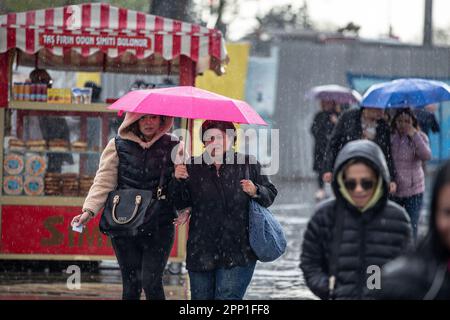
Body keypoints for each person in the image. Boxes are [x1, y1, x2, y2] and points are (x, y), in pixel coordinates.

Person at [71, 112, 180, 300]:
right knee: (131, 285)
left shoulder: (175, 145)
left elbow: (185, 190)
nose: (148, 122)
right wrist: (88, 211)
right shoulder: (117, 145)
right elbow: (104, 181)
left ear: (162, 120)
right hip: (124, 221)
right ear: (133, 121)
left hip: (159, 223)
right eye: (143, 118)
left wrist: (180, 177)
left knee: (151, 282)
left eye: (153, 118)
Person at [168, 120, 278, 300]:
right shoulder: (193, 166)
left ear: (231, 139)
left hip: (238, 250)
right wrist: (177, 179)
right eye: (209, 138)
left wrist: (256, 190)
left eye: (221, 137)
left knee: (228, 299)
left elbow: (270, 194)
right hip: (201, 249)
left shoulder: (248, 164)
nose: (215, 142)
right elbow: (180, 202)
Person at [300, 140, 412, 300]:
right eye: (351, 183)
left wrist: (387, 290)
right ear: (341, 181)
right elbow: (310, 263)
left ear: (378, 180)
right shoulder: (323, 216)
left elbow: (407, 269)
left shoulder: (398, 219)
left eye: (366, 183)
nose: (358, 189)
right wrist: (330, 289)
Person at [379, 161, 450, 300]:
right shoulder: (403, 284)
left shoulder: (396, 217)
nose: (359, 189)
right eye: (448, 212)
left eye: (367, 183)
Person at [322, 107, 397, 194]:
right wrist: (328, 168)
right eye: (377, 109)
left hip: (373, 171)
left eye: (382, 109)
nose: (381, 112)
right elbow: (333, 144)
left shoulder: (382, 125)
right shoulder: (349, 117)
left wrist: (391, 178)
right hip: (348, 167)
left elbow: (387, 154)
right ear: (367, 107)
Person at [390, 108, 432, 240]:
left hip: (414, 190)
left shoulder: (420, 137)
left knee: (412, 226)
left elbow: (426, 155)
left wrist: (414, 135)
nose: (403, 124)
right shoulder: (391, 137)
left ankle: (411, 253)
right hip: (395, 189)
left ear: (413, 122)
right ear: (395, 122)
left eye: (407, 121)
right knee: (395, 225)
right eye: (400, 121)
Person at [29, 68, 73, 172]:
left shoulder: (54, 104)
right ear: (33, 84)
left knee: (52, 181)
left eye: (49, 82)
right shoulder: (25, 105)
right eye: (43, 82)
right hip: (30, 159)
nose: (48, 85)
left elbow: (64, 132)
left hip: (54, 159)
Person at [311, 100, 340, 201]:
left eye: (330, 102)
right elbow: (313, 130)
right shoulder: (319, 115)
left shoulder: (338, 115)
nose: (327, 104)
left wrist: (336, 122)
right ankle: (321, 189)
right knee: (320, 168)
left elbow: (341, 131)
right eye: (326, 102)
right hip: (320, 147)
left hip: (333, 148)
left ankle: (335, 190)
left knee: (334, 168)